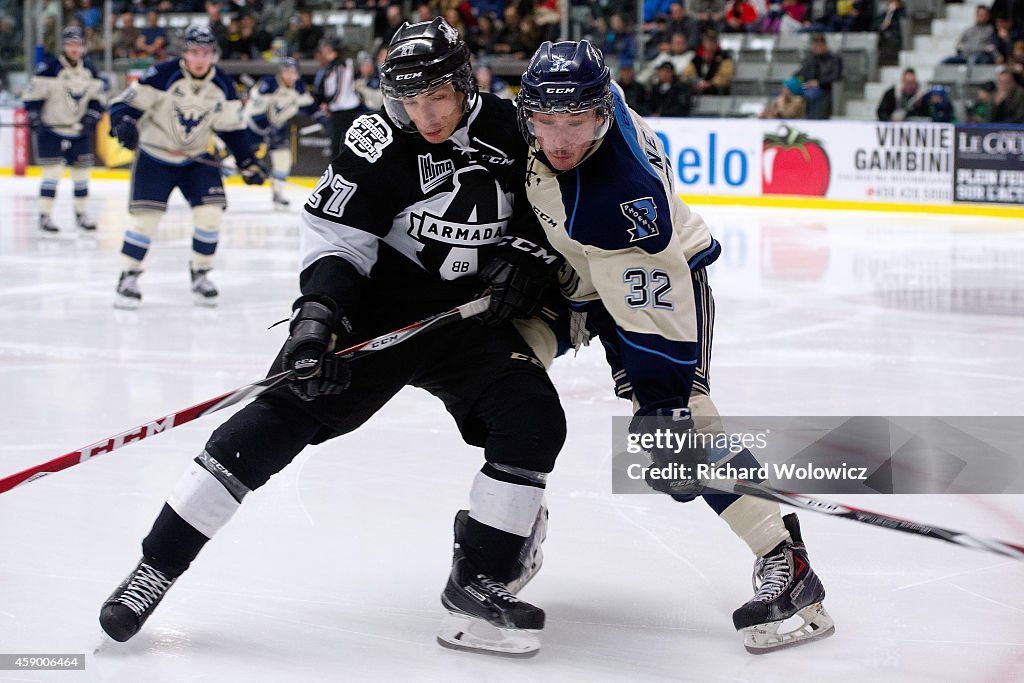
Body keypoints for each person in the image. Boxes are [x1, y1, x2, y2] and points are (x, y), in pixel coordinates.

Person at [98, 17, 567, 657]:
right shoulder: (375, 138)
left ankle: (481, 576)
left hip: (466, 320)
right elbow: (338, 239)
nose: (423, 115)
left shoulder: (516, 131)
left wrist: (531, 258)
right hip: (378, 311)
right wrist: (317, 319)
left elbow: (563, 211)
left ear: (465, 83)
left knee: (534, 419)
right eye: (408, 99)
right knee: (270, 424)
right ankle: (156, 566)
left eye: (436, 98)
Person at [515, 40, 835, 654]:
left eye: (575, 124)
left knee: (688, 426)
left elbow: (656, 314)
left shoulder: (625, 197)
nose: (558, 140)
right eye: (546, 121)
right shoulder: (560, 107)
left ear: (601, 114)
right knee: (497, 371)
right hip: (580, 276)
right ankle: (509, 526)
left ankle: (784, 557)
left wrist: (662, 409)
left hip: (658, 286)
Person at [107, 24, 266, 309]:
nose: (200, 59)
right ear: (185, 54)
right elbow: (122, 106)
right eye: (194, 52)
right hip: (155, 157)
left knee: (210, 215)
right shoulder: (162, 74)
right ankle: (128, 275)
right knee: (145, 221)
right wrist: (124, 124)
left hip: (197, 159)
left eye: (206, 53)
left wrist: (248, 161)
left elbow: (232, 129)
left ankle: (201, 273)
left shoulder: (224, 85)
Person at [22, 26, 106, 234]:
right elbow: (32, 98)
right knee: (52, 174)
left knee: (82, 175)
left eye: (78, 44)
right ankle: (45, 215)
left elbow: (98, 99)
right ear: (64, 46)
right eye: (70, 44)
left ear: (83, 47)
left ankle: (81, 214)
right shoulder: (48, 69)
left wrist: (93, 115)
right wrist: (33, 115)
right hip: (51, 130)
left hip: (79, 131)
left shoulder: (90, 71)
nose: (74, 49)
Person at [244, 58, 318, 209]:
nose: (290, 76)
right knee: (239, 160)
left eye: (293, 72)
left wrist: (320, 115)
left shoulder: (299, 87)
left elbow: (307, 105)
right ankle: (215, 184)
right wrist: (267, 129)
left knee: (283, 160)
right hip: (253, 128)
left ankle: (277, 194)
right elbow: (255, 113)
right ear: (280, 72)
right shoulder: (269, 85)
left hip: (277, 127)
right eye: (286, 72)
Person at [311, 35, 364, 162]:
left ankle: (340, 171)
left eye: (325, 48)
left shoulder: (342, 65)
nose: (323, 51)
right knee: (337, 142)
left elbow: (339, 90)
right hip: (338, 108)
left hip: (344, 109)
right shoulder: (332, 66)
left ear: (331, 49)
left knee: (341, 143)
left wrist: (328, 104)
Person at [794, 33, 843, 119]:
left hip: (824, 88)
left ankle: (812, 120)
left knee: (809, 94)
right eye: (815, 45)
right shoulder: (810, 59)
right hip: (807, 86)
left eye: (819, 45)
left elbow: (836, 76)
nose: (816, 47)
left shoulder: (834, 59)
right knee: (783, 92)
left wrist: (818, 83)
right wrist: (797, 83)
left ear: (824, 45)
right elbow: (800, 74)